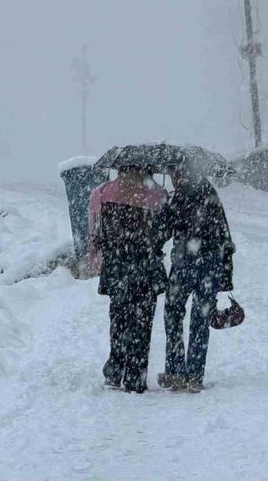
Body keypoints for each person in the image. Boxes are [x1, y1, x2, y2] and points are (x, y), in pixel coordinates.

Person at [155, 166, 235, 393]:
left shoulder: (179, 195)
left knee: (173, 312)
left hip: (185, 261)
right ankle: (194, 376)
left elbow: (163, 229)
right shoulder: (209, 191)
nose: (172, 179)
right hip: (210, 262)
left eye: (173, 174)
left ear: (181, 172)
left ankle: (175, 370)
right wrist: (226, 271)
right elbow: (224, 233)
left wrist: (154, 241)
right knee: (201, 317)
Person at [88, 165, 167, 393]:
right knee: (142, 324)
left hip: (117, 267)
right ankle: (135, 377)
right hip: (146, 268)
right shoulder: (158, 195)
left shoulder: (103, 193)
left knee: (119, 320)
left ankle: (114, 371)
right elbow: (163, 233)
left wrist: (104, 251)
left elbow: (95, 233)